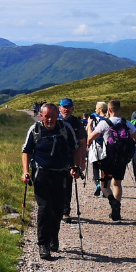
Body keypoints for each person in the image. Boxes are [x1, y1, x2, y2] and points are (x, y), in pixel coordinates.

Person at [21, 103, 81, 260]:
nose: (50, 119)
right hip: (41, 175)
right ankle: (43, 244)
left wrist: (76, 166)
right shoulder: (35, 130)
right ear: (41, 116)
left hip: (62, 175)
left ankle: (54, 237)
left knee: (57, 209)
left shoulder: (65, 128)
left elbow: (76, 148)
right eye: (47, 116)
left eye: (53, 116)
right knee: (44, 208)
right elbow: (26, 151)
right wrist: (26, 172)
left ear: (57, 115)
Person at [86, 99, 136, 221]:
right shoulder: (126, 123)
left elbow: (90, 138)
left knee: (104, 185)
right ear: (120, 109)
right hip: (122, 160)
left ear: (109, 109)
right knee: (117, 184)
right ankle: (117, 211)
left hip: (107, 160)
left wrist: (89, 125)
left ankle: (112, 201)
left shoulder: (105, 123)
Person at [58, 98, 88, 222]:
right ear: (59, 108)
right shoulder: (55, 120)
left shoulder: (76, 123)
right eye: (64, 107)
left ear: (72, 109)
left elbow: (82, 143)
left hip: (71, 158)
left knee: (68, 184)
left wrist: (82, 161)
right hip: (56, 158)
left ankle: (65, 212)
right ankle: (55, 209)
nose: (66, 109)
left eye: (69, 107)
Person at [86, 101, 107, 196]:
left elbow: (88, 130)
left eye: (96, 108)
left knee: (95, 166)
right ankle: (104, 187)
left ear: (99, 109)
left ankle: (97, 184)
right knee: (104, 167)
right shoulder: (108, 118)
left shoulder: (93, 117)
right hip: (105, 145)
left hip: (95, 144)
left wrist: (88, 142)